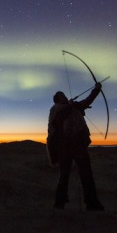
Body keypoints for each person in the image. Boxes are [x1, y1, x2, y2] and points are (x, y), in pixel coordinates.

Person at [47, 82, 104, 210]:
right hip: (65, 146)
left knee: (86, 173)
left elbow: (87, 101)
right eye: (62, 96)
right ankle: (59, 203)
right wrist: (69, 106)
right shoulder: (55, 109)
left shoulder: (74, 106)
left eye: (64, 95)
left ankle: (92, 203)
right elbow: (56, 122)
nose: (65, 97)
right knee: (64, 175)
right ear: (57, 100)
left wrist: (96, 90)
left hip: (78, 143)